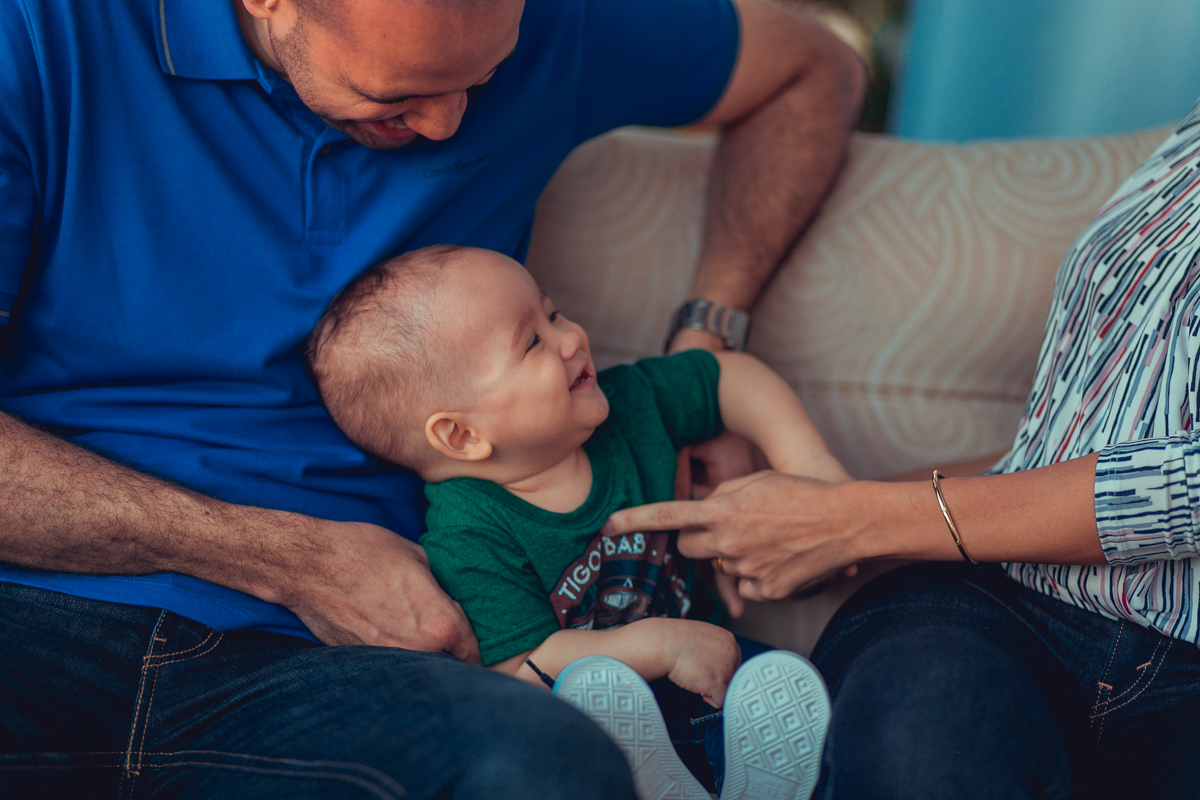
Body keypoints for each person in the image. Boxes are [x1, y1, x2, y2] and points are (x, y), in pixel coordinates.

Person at [0, 0, 864, 795]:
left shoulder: (553, 29)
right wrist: (289, 558)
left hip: (344, 666)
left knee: (545, 766)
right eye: (398, 92)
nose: (450, 125)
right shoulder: (36, 36)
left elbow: (813, 64)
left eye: (480, 80)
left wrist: (706, 344)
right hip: (36, 611)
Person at [602, 102, 1200, 798]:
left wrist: (852, 519)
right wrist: (824, 519)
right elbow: (1061, 448)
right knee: (922, 762)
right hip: (993, 605)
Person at [305, 244, 845, 798]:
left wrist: (808, 463)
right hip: (604, 713)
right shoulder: (469, 534)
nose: (572, 338)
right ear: (463, 437)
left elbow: (728, 378)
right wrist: (658, 644)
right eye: (534, 341)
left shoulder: (632, 404)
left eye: (554, 312)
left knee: (781, 683)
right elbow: (518, 666)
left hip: (713, 671)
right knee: (582, 701)